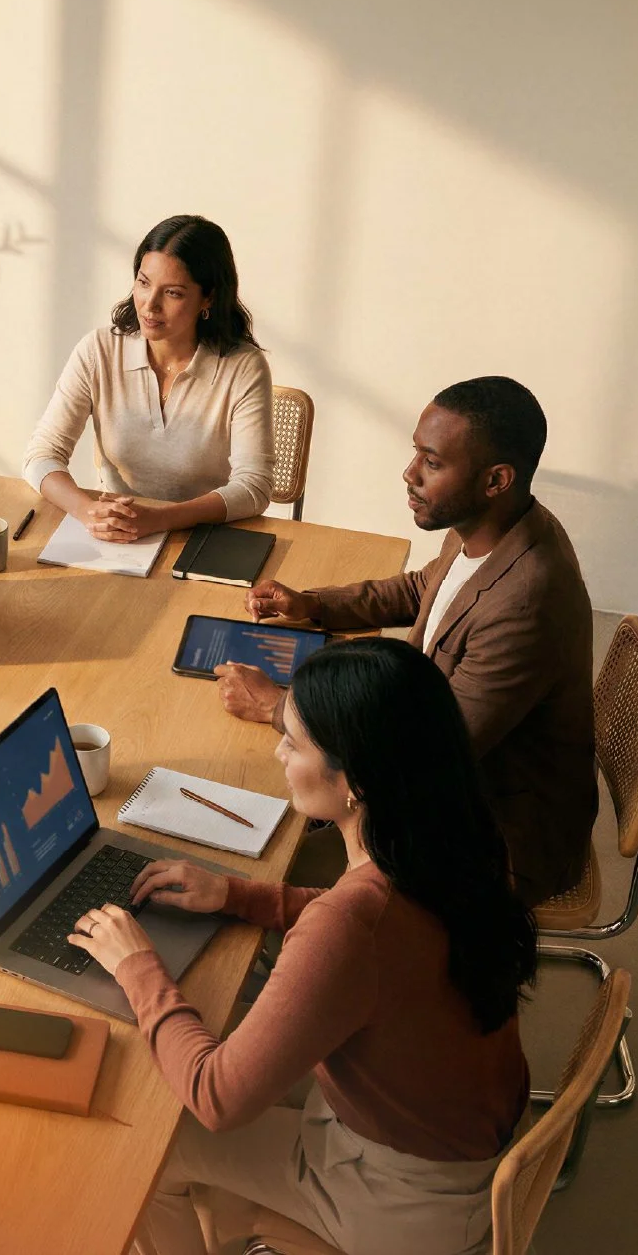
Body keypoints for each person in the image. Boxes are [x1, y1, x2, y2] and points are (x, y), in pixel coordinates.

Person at [71, 639, 536, 1255]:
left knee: (149, 1139)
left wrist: (139, 970)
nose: (277, 752)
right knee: (213, 1034)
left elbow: (217, 1097)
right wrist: (241, 894)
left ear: (358, 780)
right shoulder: (465, 838)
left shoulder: (351, 924)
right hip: (465, 1154)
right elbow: (378, 937)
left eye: (293, 742)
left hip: (401, 1202)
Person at [215, 377, 595, 906]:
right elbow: (424, 589)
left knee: (253, 830)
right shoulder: (493, 525)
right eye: (416, 453)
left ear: (496, 480)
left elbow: (432, 756)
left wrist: (279, 709)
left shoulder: (528, 601)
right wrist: (313, 605)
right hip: (447, 770)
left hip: (494, 835)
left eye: (432, 463)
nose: (409, 474)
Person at [23, 215, 274, 542]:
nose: (150, 305)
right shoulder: (99, 351)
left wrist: (161, 519)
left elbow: (254, 486)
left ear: (208, 298)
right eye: (143, 283)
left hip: (205, 539)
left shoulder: (243, 368)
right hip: (117, 537)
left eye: (173, 293)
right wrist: (88, 512)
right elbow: (41, 456)